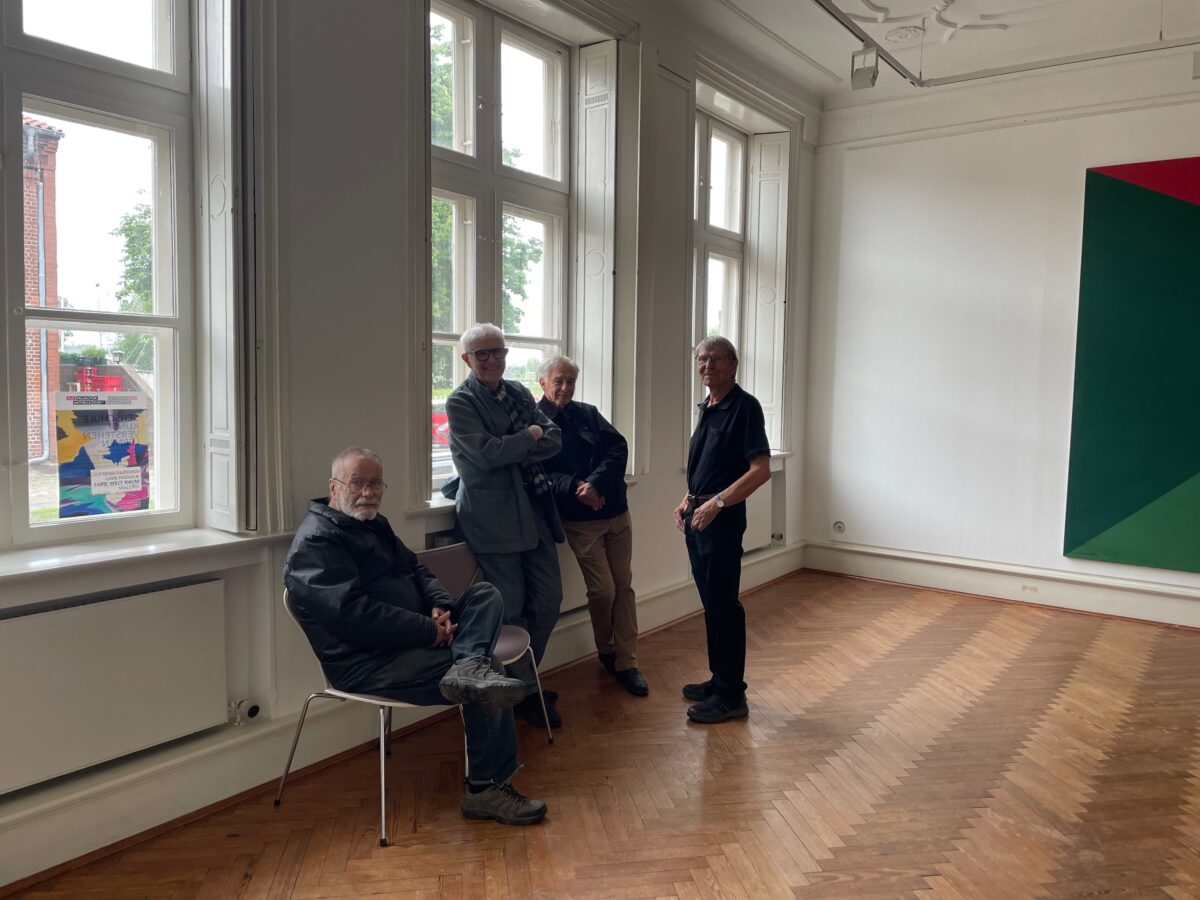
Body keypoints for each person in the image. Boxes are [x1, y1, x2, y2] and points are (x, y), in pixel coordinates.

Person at [283, 447, 547, 825]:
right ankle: (485, 790)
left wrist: (439, 605)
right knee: (490, 672)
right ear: (333, 487)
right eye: (357, 483)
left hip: (413, 637)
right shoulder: (317, 544)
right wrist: (428, 630)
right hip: (369, 663)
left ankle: (468, 665)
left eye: (376, 484)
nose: (368, 492)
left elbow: (417, 570)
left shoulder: (373, 524)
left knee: (486, 595)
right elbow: (354, 618)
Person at [446, 323, 567, 728]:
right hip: (492, 519)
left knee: (549, 600)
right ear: (467, 359)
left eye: (498, 351)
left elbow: (554, 438)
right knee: (510, 607)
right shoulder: (460, 402)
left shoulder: (516, 391)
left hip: (535, 512)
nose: (492, 360)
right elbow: (487, 455)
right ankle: (524, 692)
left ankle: (522, 682)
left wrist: (517, 443)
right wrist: (529, 435)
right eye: (482, 354)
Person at [673, 337, 771, 724]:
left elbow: (760, 470)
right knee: (712, 604)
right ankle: (719, 680)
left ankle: (731, 696)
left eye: (715, 358)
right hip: (698, 516)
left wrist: (716, 503)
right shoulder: (708, 407)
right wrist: (688, 498)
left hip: (722, 520)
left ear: (733, 365)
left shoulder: (745, 407)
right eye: (701, 358)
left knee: (724, 606)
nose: (707, 364)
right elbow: (710, 466)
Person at [536, 356, 647, 697]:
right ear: (543, 382)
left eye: (570, 380)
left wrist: (596, 484)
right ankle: (606, 649)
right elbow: (539, 474)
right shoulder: (534, 424)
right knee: (604, 591)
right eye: (559, 380)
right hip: (580, 520)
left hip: (615, 511)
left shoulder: (588, 412)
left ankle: (627, 661)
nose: (565, 387)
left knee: (624, 586)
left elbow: (618, 448)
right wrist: (578, 487)